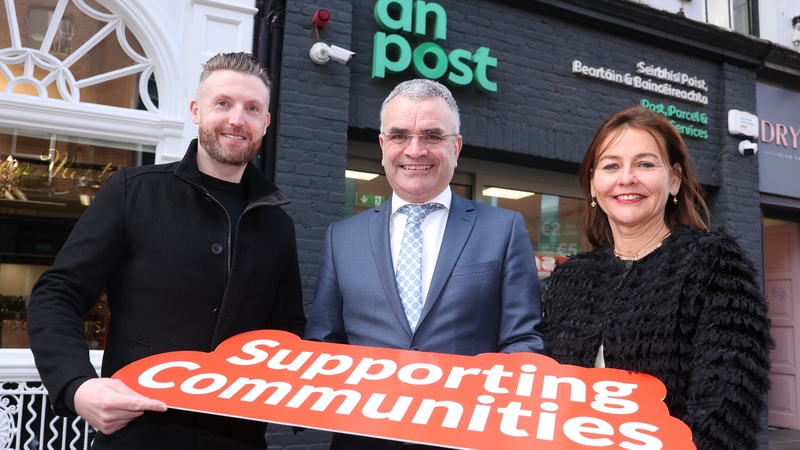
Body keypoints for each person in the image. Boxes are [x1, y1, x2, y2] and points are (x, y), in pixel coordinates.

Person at [26, 52, 307, 449]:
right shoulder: (132, 193)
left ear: (266, 123)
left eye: (252, 108)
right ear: (196, 111)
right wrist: (76, 384)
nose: (236, 119)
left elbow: (286, 331)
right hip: (138, 436)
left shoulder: (278, 224)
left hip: (238, 440)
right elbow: (57, 294)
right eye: (222, 103)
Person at [304, 79, 546, 449]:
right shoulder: (342, 237)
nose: (415, 150)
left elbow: (521, 341)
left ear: (456, 147)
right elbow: (325, 343)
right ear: (383, 146)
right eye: (399, 135)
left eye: (432, 135)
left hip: (466, 438)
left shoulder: (503, 229)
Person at [542, 105, 773, 450]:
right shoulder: (570, 278)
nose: (626, 179)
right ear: (592, 183)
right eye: (611, 166)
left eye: (645, 164)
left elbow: (726, 408)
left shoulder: (713, 262)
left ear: (675, 179)